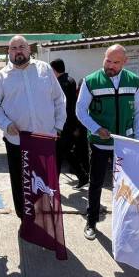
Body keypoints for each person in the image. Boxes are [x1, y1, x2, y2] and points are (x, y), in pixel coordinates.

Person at [0, 35, 66, 223]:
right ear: (8, 52)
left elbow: (59, 99)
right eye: (13, 48)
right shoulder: (1, 77)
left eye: (22, 47)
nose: (18, 51)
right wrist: (6, 124)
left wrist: (58, 126)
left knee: (45, 181)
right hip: (17, 141)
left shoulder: (45, 69)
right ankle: (25, 219)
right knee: (20, 183)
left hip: (44, 139)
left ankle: (44, 218)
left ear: (29, 49)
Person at [76, 45, 139, 240]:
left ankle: (125, 223)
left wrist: (138, 143)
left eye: (116, 62)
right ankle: (91, 221)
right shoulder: (91, 81)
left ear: (124, 62)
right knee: (96, 183)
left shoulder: (134, 81)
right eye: (108, 61)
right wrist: (96, 128)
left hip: (125, 145)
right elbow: (80, 110)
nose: (111, 66)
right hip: (99, 144)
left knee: (125, 186)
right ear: (104, 57)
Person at [50, 58, 90, 189]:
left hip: (64, 124)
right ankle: (83, 176)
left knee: (58, 154)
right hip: (70, 123)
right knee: (66, 152)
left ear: (54, 69)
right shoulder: (70, 80)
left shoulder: (61, 83)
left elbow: (63, 106)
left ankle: (53, 185)